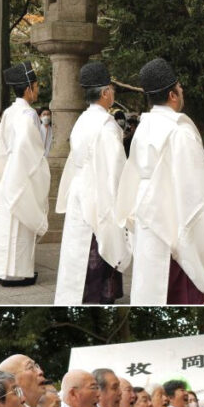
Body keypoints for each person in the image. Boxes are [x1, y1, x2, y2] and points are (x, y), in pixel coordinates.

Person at [116, 58, 204, 304]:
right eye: (180, 87)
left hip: (147, 212)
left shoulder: (144, 127)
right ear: (173, 95)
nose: (182, 90)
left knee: (150, 279)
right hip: (173, 214)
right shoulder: (178, 131)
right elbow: (197, 187)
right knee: (178, 280)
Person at [54, 61, 131, 305]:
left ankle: (80, 293)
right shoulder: (106, 126)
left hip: (80, 189)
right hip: (99, 191)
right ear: (105, 92)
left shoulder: (82, 121)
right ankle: (100, 294)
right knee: (100, 242)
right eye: (112, 89)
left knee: (80, 245)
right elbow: (115, 168)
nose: (114, 94)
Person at [0, 61, 51, 287]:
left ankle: (4, 271)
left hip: (9, 175)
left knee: (8, 226)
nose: (38, 90)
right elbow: (29, 153)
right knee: (19, 227)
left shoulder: (9, 112)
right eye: (36, 86)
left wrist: (0, 179)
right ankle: (18, 273)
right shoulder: (28, 116)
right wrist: (30, 176)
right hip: (21, 177)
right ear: (28, 89)